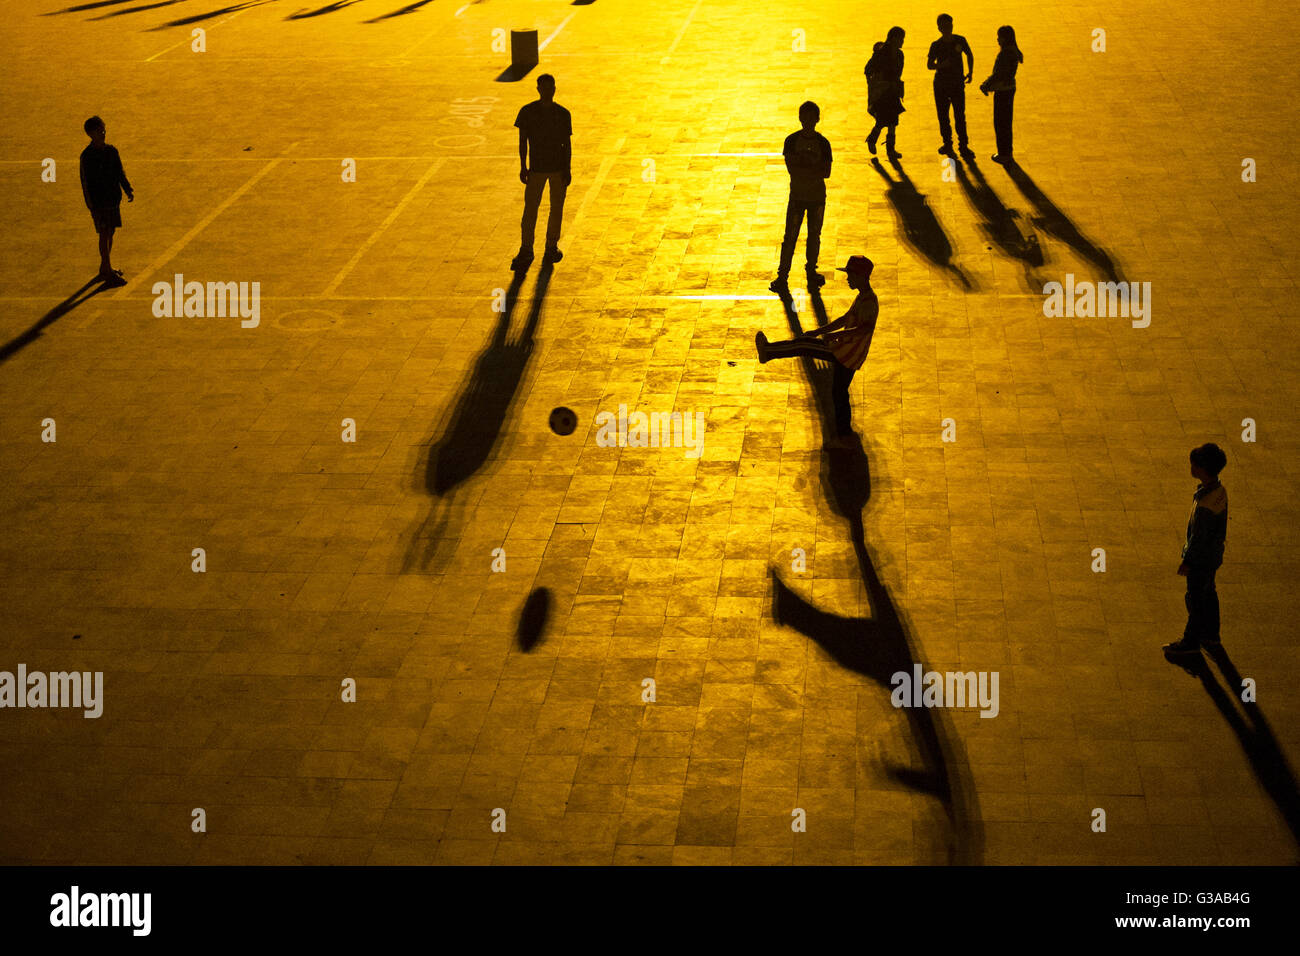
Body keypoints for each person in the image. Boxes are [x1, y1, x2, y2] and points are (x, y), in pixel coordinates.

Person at [756, 255, 879, 443]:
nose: (847, 279)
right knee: (839, 391)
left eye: (850, 275)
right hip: (845, 352)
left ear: (861, 276)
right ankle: (844, 433)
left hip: (845, 354)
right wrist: (820, 331)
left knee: (804, 346)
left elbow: (865, 329)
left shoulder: (868, 301)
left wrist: (835, 336)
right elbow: (844, 319)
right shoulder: (863, 297)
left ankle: (769, 352)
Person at [1164, 444, 1229, 656]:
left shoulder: (1205, 504)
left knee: (1195, 599)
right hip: (1213, 556)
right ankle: (1212, 636)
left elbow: (1199, 538)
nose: (1191, 467)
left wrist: (1187, 561)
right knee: (1208, 594)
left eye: (1194, 464)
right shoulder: (1219, 491)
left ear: (1202, 468)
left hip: (1201, 560)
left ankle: (1191, 641)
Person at [770, 101, 833, 296]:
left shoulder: (823, 143)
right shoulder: (792, 141)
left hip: (815, 197)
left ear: (817, 119)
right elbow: (793, 167)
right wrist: (812, 166)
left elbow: (826, 172)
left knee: (814, 236)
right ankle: (783, 275)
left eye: (811, 117)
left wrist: (804, 164)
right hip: (798, 196)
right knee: (790, 237)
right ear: (800, 118)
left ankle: (810, 271)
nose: (808, 121)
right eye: (805, 117)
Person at [512, 74, 572, 271]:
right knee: (531, 211)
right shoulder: (530, 112)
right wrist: (523, 166)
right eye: (544, 87)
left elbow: (567, 144)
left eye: (550, 87)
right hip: (537, 169)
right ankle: (529, 248)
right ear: (538, 89)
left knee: (553, 210)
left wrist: (567, 168)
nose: (547, 91)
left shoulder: (561, 114)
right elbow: (522, 141)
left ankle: (548, 247)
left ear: (554, 89)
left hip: (555, 169)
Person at [79, 116, 134, 286]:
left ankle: (105, 267)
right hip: (99, 202)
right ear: (90, 133)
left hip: (112, 199)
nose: (103, 133)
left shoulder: (112, 151)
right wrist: (91, 205)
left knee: (111, 231)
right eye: (99, 130)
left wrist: (127, 188)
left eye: (103, 129)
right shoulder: (87, 156)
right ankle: (107, 269)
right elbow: (85, 182)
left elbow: (119, 172)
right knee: (104, 233)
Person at [927, 14, 974, 159]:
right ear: (939, 28)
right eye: (945, 26)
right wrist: (941, 65)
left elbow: (970, 55)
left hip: (957, 84)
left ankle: (963, 145)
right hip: (941, 85)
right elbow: (929, 65)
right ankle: (947, 143)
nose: (948, 28)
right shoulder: (936, 45)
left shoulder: (960, 40)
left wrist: (970, 72)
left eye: (950, 25)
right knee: (943, 116)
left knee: (960, 115)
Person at [979, 25, 1023, 165]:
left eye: (999, 37)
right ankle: (1007, 152)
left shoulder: (1004, 54)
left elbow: (998, 74)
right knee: (1006, 122)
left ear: (1005, 38)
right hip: (1010, 88)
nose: (998, 39)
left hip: (1002, 91)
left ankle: (1003, 154)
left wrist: (985, 84)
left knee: (1000, 123)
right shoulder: (1014, 51)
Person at [865, 27, 906, 159]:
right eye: (901, 38)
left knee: (893, 121)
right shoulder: (881, 53)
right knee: (883, 120)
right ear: (893, 38)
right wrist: (874, 84)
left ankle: (889, 149)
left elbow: (898, 73)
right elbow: (868, 69)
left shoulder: (900, 54)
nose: (902, 41)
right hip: (883, 92)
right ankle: (874, 140)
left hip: (893, 90)